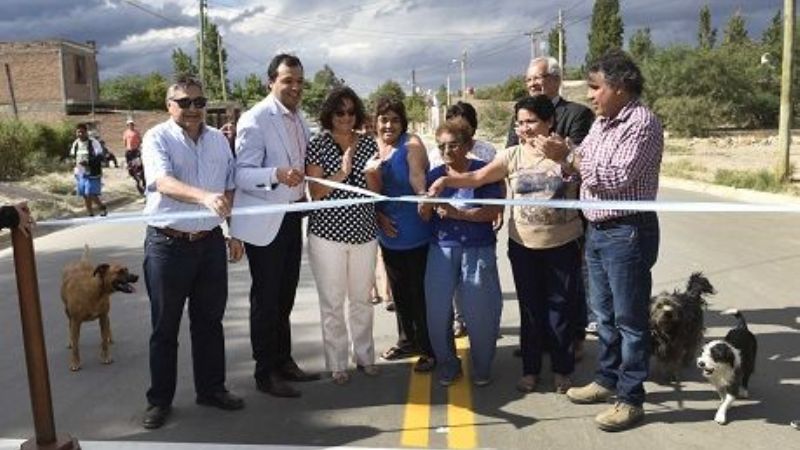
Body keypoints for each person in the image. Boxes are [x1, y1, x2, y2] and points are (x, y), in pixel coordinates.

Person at [429, 95, 583, 395]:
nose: (525, 128)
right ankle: (530, 369)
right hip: (523, 243)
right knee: (530, 309)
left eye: (531, 121)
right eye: (520, 122)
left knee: (561, 309)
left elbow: (586, 177)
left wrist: (564, 157)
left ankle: (563, 370)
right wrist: (447, 182)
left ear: (549, 121)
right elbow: (476, 178)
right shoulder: (512, 155)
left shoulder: (569, 150)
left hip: (563, 242)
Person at [554, 50, 663, 432]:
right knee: (604, 315)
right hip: (598, 231)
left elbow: (616, 178)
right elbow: (582, 165)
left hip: (627, 231)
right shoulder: (602, 123)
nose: (590, 95)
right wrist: (567, 160)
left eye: (595, 87)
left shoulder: (642, 123)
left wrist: (571, 158)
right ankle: (607, 379)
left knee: (631, 321)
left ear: (618, 86)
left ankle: (631, 399)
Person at [140, 76, 245, 430]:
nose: (192, 110)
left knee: (209, 322)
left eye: (198, 103)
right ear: (169, 106)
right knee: (165, 328)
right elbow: (163, 182)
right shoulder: (157, 137)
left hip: (210, 244)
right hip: (168, 246)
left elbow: (230, 184)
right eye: (184, 103)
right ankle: (159, 401)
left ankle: (212, 389)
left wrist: (233, 231)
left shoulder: (218, 141)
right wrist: (203, 196)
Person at [229, 54, 320, 399]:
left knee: (285, 294)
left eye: (299, 81)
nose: (295, 87)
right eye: (288, 81)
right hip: (267, 220)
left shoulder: (299, 119)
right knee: (266, 299)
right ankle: (264, 371)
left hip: (293, 213)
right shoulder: (255, 119)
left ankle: (284, 361)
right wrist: (276, 174)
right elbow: (241, 175)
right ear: (271, 82)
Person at [507, 56, 596, 358]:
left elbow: (576, 153)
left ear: (556, 80)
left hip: (565, 214)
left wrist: (555, 149)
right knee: (532, 288)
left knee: (568, 286)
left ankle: (573, 338)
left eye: (540, 78)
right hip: (528, 217)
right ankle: (536, 340)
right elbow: (512, 154)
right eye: (529, 79)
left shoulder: (578, 113)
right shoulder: (519, 113)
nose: (534, 84)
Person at [420, 118, 503, 387]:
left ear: (468, 145)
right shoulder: (433, 175)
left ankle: (482, 366)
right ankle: (448, 363)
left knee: (481, 311)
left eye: (453, 145)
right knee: (436, 311)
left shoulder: (483, 172)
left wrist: (460, 214)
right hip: (441, 248)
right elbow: (423, 215)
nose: (447, 151)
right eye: (441, 146)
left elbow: (492, 212)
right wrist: (425, 204)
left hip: (477, 248)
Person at [305, 87, 380, 385]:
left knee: (362, 299)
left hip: (364, 233)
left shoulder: (368, 143)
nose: (346, 118)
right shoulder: (317, 144)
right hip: (327, 235)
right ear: (329, 114)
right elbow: (316, 192)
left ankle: (365, 356)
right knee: (333, 302)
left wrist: (375, 174)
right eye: (340, 112)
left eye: (351, 112)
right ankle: (337, 362)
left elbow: (375, 190)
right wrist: (341, 173)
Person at [364, 97, 435, 372]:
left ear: (402, 122)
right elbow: (373, 192)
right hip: (388, 231)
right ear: (376, 123)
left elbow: (417, 175)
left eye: (394, 119)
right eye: (384, 120)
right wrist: (379, 214)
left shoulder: (412, 144)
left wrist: (422, 196)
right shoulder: (373, 147)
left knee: (420, 293)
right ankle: (407, 341)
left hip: (415, 228)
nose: (389, 125)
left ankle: (429, 348)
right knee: (400, 293)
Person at [443, 101, 501, 338]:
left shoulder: (487, 152)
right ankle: (460, 318)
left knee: (482, 274)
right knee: (455, 276)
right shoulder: (442, 149)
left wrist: (499, 210)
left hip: (480, 219)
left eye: (463, 126)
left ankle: (485, 320)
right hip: (450, 223)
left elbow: (499, 182)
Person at [69, 123, 108, 217]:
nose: (80, 134)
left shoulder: (93, 142)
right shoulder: (76, 143)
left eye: (82, 132)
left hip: (92, 172)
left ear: (86, 132)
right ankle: (90, 213)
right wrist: (74, 165)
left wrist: (88, 162)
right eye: (78, 132)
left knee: (90, 192)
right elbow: (73, 156)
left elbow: (100, 157)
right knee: (84, 194)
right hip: (80, 173)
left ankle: (102, 208)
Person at [123, 119, 146, 195]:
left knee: (138, 166)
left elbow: (140, 141)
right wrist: (127, 149)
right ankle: (135, 178)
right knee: (130, 167)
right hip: (129, 151)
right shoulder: (126, 133)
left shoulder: (136, 132)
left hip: (135, 151)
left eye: (132, 124)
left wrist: (138, 148)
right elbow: (125, 142)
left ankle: (142, 181)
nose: (131, 125)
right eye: (129, 124)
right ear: (127, 125)